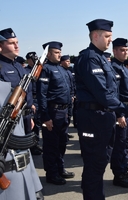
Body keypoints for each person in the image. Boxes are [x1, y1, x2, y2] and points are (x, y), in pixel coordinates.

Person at [73, 19, 128, 200]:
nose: (109, 41)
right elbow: (103, 94)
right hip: (92, 118)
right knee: (94, 163)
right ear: (95, 36)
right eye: (107, 36)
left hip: (102, 117)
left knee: (100, 161)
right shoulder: (90, 58)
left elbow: (111, 92)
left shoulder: (101, 59)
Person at [0, 31, 43, 200]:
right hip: (8, 120)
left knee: (23, 153)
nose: (17, 45)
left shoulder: (19, 66)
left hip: (21, 119)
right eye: (12, 42)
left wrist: (29, 116)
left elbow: (27, 95)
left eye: (17, 42)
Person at [37, 41, 75, 185]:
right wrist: (45, 117)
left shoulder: (62, 70)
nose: (59, 55)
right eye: (56, 52)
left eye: (60, 52)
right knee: (51, 145)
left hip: (63, 111)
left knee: (62, 143)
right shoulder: (45, 69)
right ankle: (52, 174)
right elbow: (42, 95)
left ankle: (60, 168)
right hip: (52, 112)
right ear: (48, 54)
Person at [110, 38, 128, 188]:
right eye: (122, 50)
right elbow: (114, 94)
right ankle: (118, 174)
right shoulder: (113, 68)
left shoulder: (125, 68)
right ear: (114, 51)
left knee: (126, 143)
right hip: (121, 112)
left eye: (126, 50)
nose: (125, 52)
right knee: (119, 144)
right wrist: (119, 114)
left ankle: (124, 170)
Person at [25, 51, 44, 155]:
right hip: (33, 99)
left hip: (41, 99)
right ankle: (33, 146)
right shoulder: (26, 71)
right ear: (28, 60)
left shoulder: (40, 70)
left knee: (39, 123)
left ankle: (36, 144)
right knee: (33, 124)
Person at [60, 55, 75, 139]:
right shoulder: (61, 71)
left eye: (69, 61)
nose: (68, 63)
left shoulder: (69, 72)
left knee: (69, 115)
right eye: (67, 61)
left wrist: (72, 95)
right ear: (62, 62)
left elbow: (71, 85)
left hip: (69, 97)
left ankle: (66, 131)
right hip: (64, 97)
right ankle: (63, 133)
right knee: (63, 117)